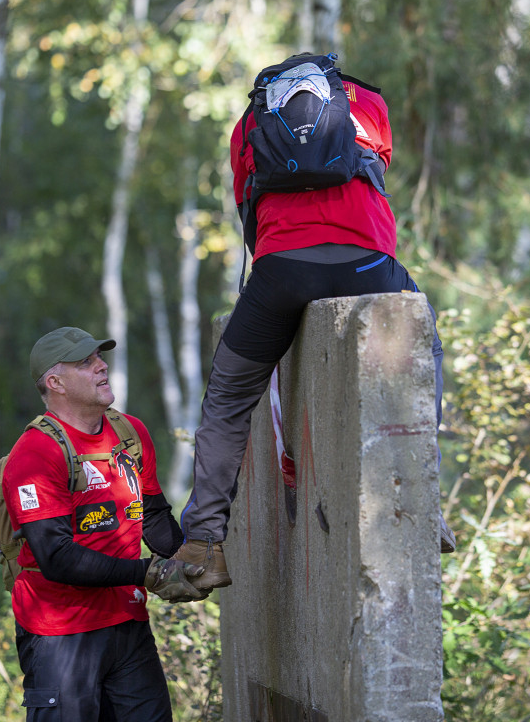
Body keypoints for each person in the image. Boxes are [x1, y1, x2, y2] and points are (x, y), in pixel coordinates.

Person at [171, 53, 454, 595]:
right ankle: (423, 505)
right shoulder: (365, 103)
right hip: (367, 265)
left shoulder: (249, 121)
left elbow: (245, 202)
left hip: (282, 272)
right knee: (423, 345)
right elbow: (379, 168)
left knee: (228, 397)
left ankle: (203, 545)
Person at [2, 326, 203, 721]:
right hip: (61, 633)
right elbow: (57, 558)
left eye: (99, 358)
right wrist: (149, 572)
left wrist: (194, 557)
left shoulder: (130, 433)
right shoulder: (35, 453)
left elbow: (153, 516)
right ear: (55, 382)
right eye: (85, 362)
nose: (102, 366)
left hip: (127, 624)